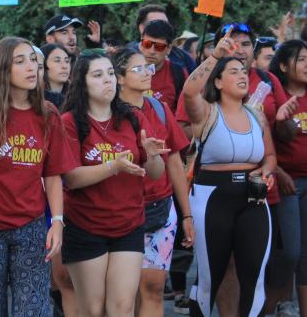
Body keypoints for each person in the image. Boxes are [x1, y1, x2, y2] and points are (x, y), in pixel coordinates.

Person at [0, 37, 71, 316]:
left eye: (33, 60)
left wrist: (57, 222)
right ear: (4, 69)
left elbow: (53, 176)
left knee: (33, 310)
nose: (31, 67)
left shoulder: (49, 114)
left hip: (32, 227)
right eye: (20, 62)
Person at [60, 50, 168, 317]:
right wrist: (113, 166)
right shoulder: (70, 122)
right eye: (97, 75)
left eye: (110, 73)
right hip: (86, 226)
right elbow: (71, 178)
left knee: (121, 308)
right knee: (93, 310)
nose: (107, 80)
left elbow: (154, 173)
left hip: (129, 224)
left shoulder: (132, 118)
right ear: (82, 82)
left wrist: (152, 157)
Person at [182, 29, 277, 317]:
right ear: (219, 81)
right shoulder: (206, 112)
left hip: (253, 200)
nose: (242, 74)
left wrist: (266, 171)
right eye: (233, 71)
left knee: (255, 278)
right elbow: (189, 91)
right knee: (210, 280)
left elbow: (270, 155)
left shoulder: (256, 114)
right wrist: (216, 57)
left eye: (244, 70)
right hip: (212, 199)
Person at [113, 48, 195, 316]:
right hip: (119, 212)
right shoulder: (108, 114)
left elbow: (174, 163)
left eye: (147, 68)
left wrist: (186, 214)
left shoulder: (159, 110)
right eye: (137, 69)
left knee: (153, 288)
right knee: (123, 293)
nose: (147, 73)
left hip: (160, 209)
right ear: (120, 78)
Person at [269, 40, 307, 315]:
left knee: (306, 256)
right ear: (283, 66)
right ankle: (276, 303)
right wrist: (278, 170)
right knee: (289, 252)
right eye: (302, 59)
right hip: (287, 182)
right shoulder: (274, 96)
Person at [133, 4, 197, 74]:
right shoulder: (126, 57)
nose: (161, 27)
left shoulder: (182, 57)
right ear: (141, 28)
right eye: (154, 23)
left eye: (165, 24)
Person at [138, 19, 188, 108]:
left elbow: (183, 117)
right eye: (147, 44)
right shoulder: (127, 70)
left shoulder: (178, 73)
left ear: (168, 49)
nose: (152, 51)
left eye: (159, 46)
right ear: (141, 44)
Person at [42, 43, 71, 109]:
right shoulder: (35, 98)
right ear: (43, 64)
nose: (64, 66)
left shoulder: (77, 96)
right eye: (57, 61)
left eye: (67, 61)